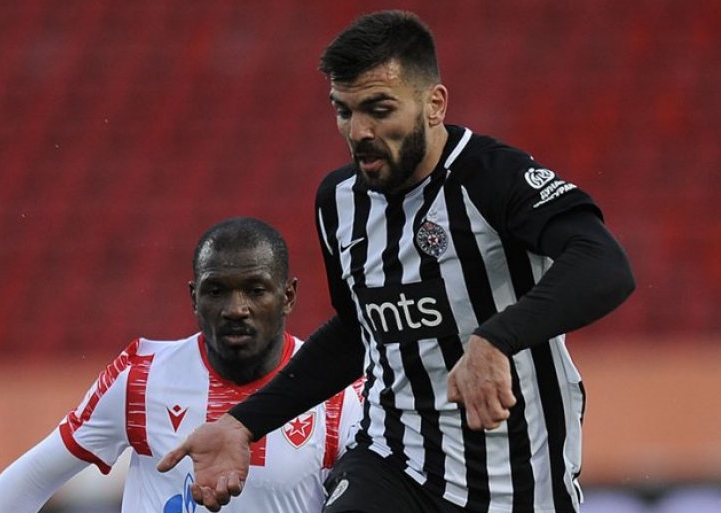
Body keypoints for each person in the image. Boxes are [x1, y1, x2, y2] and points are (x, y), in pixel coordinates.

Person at [157, 10, 635, 513]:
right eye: (344, 111)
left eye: (379, 109)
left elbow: (604, 264)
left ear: (434, 105)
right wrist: (243, 424)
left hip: (517, 480)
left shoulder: (492, 178)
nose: (359, 131)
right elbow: (356, 332)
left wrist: (496, 338)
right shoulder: (338, 202)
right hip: (392, 459)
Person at [0, 217, 363, 513]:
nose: (235, 309)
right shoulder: (142, 376)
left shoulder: (341, 395)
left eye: (255, 290)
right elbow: (32, 477)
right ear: (194, 298)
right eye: (216, 291)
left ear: (288, 295)